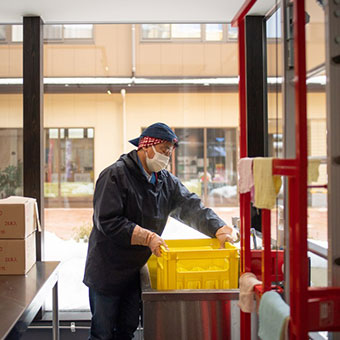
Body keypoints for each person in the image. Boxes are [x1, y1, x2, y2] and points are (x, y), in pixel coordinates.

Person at [83, 122, 239, 340]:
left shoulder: (165, 181)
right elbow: (108, 221)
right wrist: (147, 236)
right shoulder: (115, 175)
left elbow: (190, 206)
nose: (167, 156)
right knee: (103, 333)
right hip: (108, 269)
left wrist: (218, 227)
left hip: (134, 271)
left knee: (126, 331)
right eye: (164, 149)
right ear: (146, 146)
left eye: (171, 151)